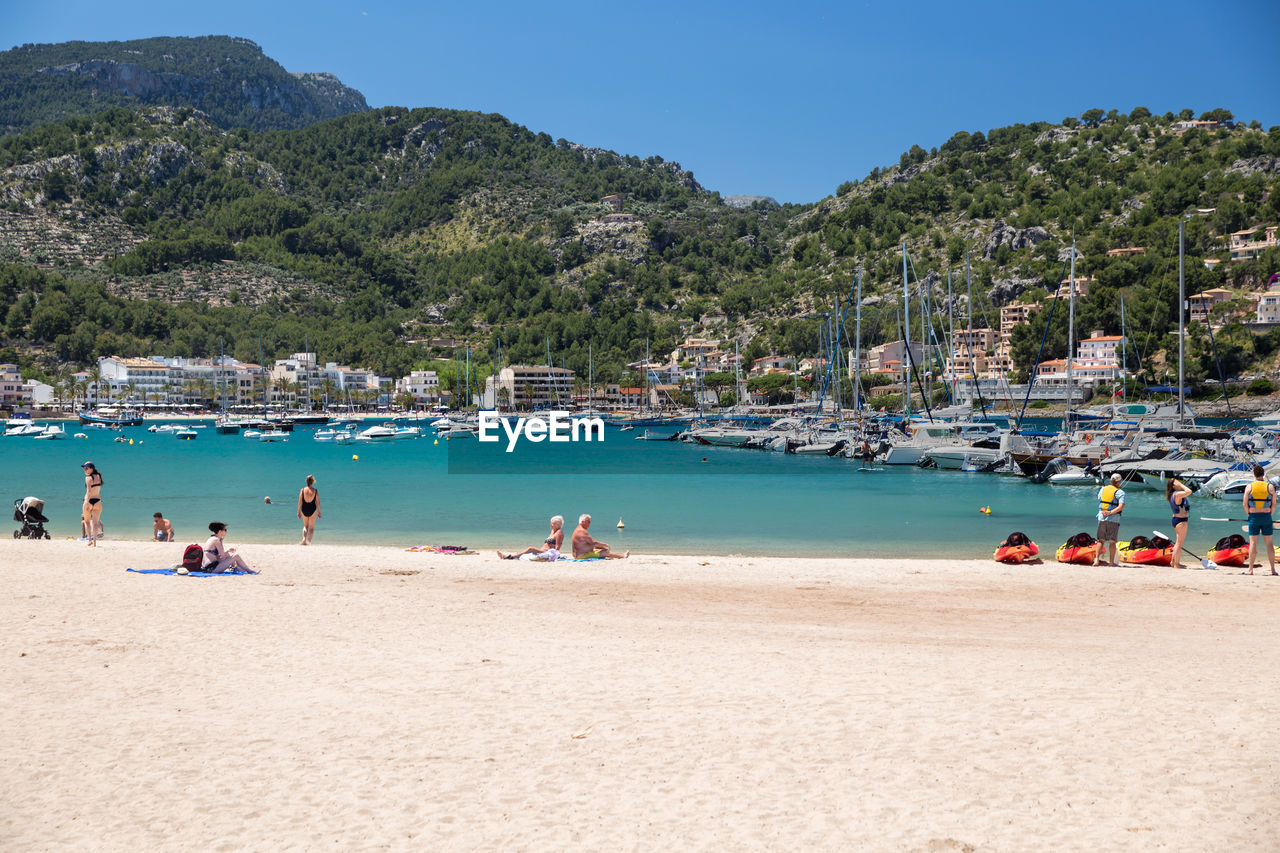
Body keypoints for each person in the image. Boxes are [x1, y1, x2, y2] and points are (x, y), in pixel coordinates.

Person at [1243, 465, 1278, 576]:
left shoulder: (1249, 487)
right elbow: (1274, 504)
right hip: (1266, 516)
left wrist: (1249, 513)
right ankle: (1273, 570)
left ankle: (1250, 569)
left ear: (1254, 474)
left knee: (1253, 543)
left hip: (1253, 516)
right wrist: (1270, 514)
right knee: (1269, 544)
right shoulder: (1270, 487)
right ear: (1263, 474)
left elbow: (1244, 504)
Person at [1092, 473, 1125, 567]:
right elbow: (1121, 506)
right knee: (1112, 541)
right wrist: (1110, 513)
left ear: (1111, 481)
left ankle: (1096, 560)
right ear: (1118, 482)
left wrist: (1105, 488)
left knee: (1100, 540)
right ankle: (1111, 563)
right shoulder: (1120, 492)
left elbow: (1100, 497)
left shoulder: (1103, 489)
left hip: (1101, 517)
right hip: (1113, 519)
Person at [498, 515, 564, 560]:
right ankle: (513, 556)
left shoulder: (559, 533)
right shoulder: (553, 531)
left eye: (553, 524)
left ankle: (509, 557)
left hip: (547, 552)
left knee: (530, 548)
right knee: (525, 552)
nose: (551, 525)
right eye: (551, 523)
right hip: (542, 551)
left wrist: (555, 556)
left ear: (558, 525)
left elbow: (558, 546)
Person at [1166, 478, 1193, 569]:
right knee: (1179, 543)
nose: (1179, 483)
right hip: (1180, 521)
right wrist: (1181, 485)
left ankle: (1173, 562)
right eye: (1176, 483)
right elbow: (1189, 491)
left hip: (1178, 520)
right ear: (1173, 486)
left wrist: (1179, 484)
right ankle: (1176, 565)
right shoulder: (1177, 494)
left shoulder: (1175, 494)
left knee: (1178, 542)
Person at [81, 461, 103, 547]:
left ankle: (89, 540)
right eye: (84, 468)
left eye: (86, 468)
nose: (85, 470)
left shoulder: (88, 478)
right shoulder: (99, 476)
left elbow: (89, 491)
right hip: (98, 501)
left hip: (89, 501)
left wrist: (86, 502)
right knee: (95, 523)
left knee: (87, 521)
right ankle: (94, 542)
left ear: (91, 468)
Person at [297, 475, 321, 546]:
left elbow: (299, 502)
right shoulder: (315, 491)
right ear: (312, 482)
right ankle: (308, 542)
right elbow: (318, 503)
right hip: (312, 509)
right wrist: (319, 512)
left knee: (305, 526)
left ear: (306, 482)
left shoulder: (302, 490)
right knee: (311, 527)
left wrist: (298, 511)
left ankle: (304, 539)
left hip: (304, 508)